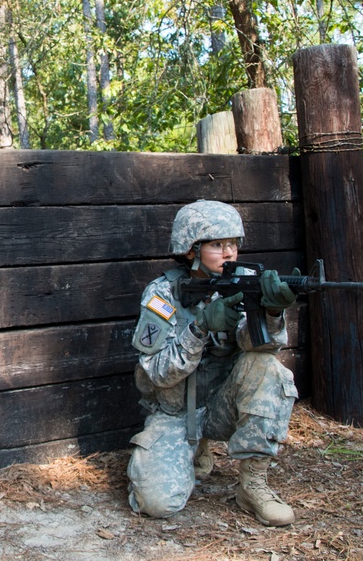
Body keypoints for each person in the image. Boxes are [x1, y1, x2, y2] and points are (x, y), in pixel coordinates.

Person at [126, 200, 299, 526]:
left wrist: (272, 313)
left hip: (223, 404)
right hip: (176, 412)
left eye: (233, 243)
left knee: (269, 369)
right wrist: (200, 326)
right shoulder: (163, 294)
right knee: (157, 503)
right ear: (191, 249)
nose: (229, 252)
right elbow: (158, 372)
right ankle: (195, 447)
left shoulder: (243, 282)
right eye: (217, 244)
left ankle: (253, 486)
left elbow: (261, 346)